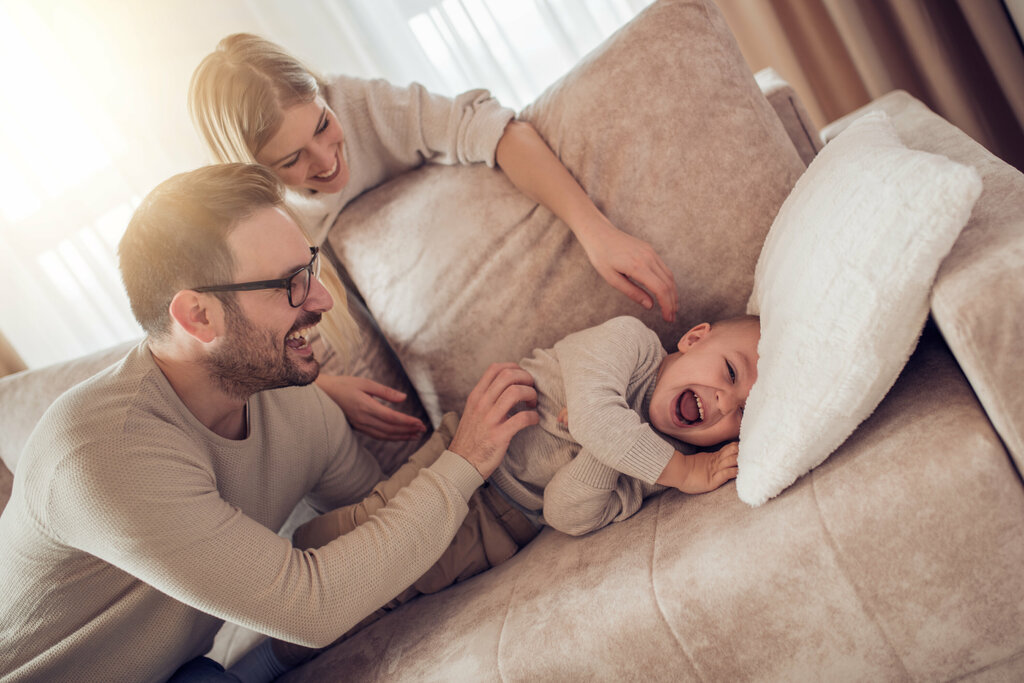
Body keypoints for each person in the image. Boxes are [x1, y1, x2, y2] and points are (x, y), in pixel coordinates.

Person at [0, 163, 539, 682]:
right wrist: (463, 461)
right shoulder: (101, 453)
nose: (323, 299)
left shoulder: (298, 410)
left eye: (312, 268)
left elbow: (383, 531)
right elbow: (316, 605)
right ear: (198, 317)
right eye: (291, 284)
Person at [188, 33, 680, 440]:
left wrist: (596, 232)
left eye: (322, 125)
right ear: (256, 171)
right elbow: (232, 354)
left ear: (323, 95)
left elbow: (495, 130)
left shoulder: (357, 103)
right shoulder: (248, 223)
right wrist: (326, 391)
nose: (325, 159)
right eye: (291, 160)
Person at [278, 314, 758, 667]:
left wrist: (606, 450)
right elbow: (595, 416)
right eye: (731, 374)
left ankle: (276, 659)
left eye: (739, 415)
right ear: (695, 338)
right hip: (472, 454)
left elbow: (566, 513)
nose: (722, 402)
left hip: (504, 527)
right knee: (371, 530)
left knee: (400, 587)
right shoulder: (630, 344)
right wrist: (683, 471)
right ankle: (294, 577)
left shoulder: (653, 462)